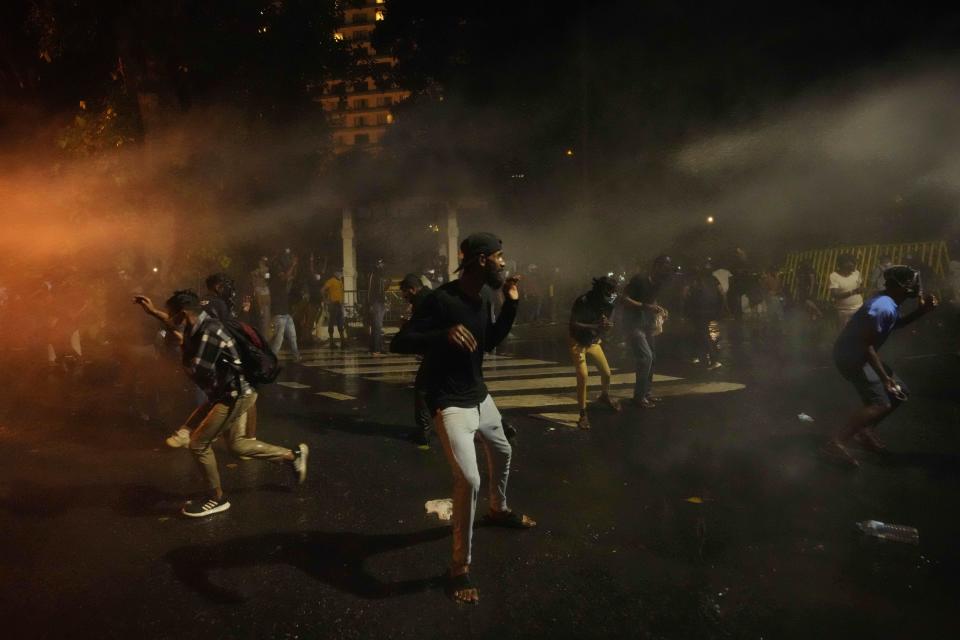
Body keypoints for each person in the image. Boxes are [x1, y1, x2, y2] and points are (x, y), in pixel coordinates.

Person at [391, 232, 536, 604]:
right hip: (450, 403)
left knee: (503, 451)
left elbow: (489, 342)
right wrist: (443, 333)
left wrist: (511, 304)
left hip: (480, 397)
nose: (505, 263)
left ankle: (499, 510)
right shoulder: (441, 299)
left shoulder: (487, 294)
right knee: (469, 480)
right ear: (481, 259)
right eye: (500, 257)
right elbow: (400, 341)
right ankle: (459, 568)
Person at [134, 290, 308, 516]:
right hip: (236, 391)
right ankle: (293, 456)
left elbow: (197, 370)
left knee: (198, 443)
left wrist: (179, 347)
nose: (171, 320)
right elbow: (175, 326)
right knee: (238, 445)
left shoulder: (208, 333)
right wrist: (153, 312)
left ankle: (217, 498)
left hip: (234, 395)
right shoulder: (199, 324)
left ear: (184, 314)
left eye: (173, 315)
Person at [821, 266, 938, 467]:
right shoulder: (882, 306)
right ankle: (835, 444)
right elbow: (866, 345)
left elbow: (895, 324)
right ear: (899, 286)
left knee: (900, 392)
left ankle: (864, 432)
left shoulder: (889, 302)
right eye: (910, 282)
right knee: (881, 403)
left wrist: (921, 311)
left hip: (859, 353)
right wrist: (885, 378)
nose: (914, 286)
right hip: (851, 356)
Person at [568, 275, 622, 430]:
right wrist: (594, 326)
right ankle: (582, 414)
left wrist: (608, 325)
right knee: (583, 376)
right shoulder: (583, 301)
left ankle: (604, 396)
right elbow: (574, 323)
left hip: (593, 342)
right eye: (609, 291)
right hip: (577, 342)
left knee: (606, 372)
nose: (612, 295)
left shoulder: (609, 301)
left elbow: (608, 321)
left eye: (614, 291)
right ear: (600, 290)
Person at [621, 255, 673, 408]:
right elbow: (624, 299)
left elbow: (652, 301)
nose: (667, 271)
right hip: (633, 324)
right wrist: (645, 306)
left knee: (653, 358)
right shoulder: (639, 279)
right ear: (657, 266)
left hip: (648, 324)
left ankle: (646, 393)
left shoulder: (658, 282)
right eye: (665, 267)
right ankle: (639, 396)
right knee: (646, 357)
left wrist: (661, 309)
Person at [399, 273, 433, 444]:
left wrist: (406, 326)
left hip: (438, 352)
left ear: (412, 289)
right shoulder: (431, 295)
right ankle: (498, 425)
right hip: (448, 350)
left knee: (421, 389)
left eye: (405, 293)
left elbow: (420, 330)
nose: (405, 298)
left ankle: (424, 431)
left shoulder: (421, 302)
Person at [684, 259, 725, 369]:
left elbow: (685, 293)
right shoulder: (713, 279)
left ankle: (714, 359)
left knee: (703, 332)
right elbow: (722, 292)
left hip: (699, 311)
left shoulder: (695, 280)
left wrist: (686, 307)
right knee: (699, 332)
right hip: (712, 310)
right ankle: (696, 355)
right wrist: (720, 307)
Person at [269, 253, 300, 361]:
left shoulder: (281, 282)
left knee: (292, 337)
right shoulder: (276, 282)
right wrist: (293, 264)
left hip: (286, 314)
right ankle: (272, 357)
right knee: (279, 339)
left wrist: (294, 266)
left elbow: (291, 276)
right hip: (279, 315)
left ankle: (296, 356)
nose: (283, 274)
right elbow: (287, 276)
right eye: (281, 273)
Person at [829, 254, 863, 328]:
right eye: (852, 262)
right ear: (843, 264)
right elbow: (835, 295)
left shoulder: (856, 273)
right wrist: (852, 292)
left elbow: (859, 287)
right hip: (843, 311)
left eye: (855, 262)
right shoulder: (834, 276)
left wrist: (861, 290)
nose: (855, 264)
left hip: (859, 308)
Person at [368, 258, 389, 356]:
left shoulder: (381, 275)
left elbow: (383, 290)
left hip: (380, 302)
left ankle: (378, 347)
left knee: (378, 326)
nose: (382, 266)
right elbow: (371, 291)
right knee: (377, 326)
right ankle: (376, 349)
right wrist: (371, 304)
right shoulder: (374, 275)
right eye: (380, 264)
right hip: (376, 303)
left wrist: (387, 283)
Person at [321, 270, 347, 347]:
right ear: (335, 273)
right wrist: (326, 300)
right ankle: (332, 342)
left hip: (339, 304)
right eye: (340, 272)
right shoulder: (331, 281)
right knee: (332, 322)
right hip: (333, 304)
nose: (341, 274)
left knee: (340, 323)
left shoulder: (340, 281)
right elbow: (322, 290)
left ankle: (342, 341)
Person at [250, 256, 271, 337]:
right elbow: (253, 280)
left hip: (265, 295)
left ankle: (265, 337)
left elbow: (267, 278)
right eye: (262, 261)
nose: (263, 263)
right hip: (259, 295)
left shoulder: (266, 270)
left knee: (266, 320)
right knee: (261, 320)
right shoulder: (255, 272)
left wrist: (263, 274)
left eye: (264, 261)